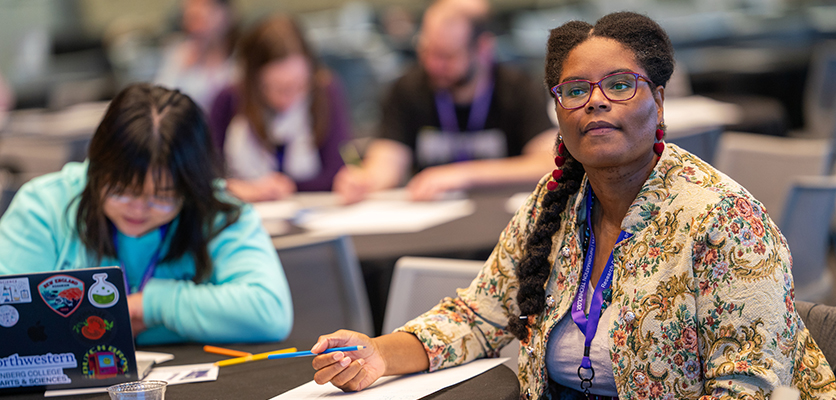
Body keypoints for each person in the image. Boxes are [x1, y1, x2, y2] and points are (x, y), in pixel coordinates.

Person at [308, 12, 836, 399]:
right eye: (576, 89)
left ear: (658, 100)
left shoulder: (723, 219)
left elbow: (749, 389)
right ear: (559, 111)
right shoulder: (554, 202)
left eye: (621, 85)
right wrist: (378, 353)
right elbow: (477, 316)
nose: (596, 101)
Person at [0, 84, 293, 345]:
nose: (138, 209)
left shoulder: (215, 211)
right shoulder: (45, 206)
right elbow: (8, 318)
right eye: (120, 190)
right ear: (95, 168)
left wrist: (147, 305)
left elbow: (269, 310)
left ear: (191, 187)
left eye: (163, 197)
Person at [333, 0, 557, 202]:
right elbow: (387, 161)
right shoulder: (407, 89)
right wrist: (364, 181)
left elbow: (548, 163)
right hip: (433, 228)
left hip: (502, 223)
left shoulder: (517, 89)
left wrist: (464, 174)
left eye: (447, 56)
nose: (433, 65)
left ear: (482, 49)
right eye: (427, 51)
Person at [208, 15, 351, 202]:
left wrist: (288, 186)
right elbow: (205, 174)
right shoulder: (229, 99)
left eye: (299, 85)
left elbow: (337, 171)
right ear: (253, 81)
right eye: (277, 89)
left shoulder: (325, 92)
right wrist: (237, 188)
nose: (288, 99)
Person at [155, 0, 237, 112]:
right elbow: (159, 100)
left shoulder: (239, 60)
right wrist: (182, 71)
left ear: (225, 16)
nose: (196, 28)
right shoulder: (179, 54)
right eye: (190, 19)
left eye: (201, 19)